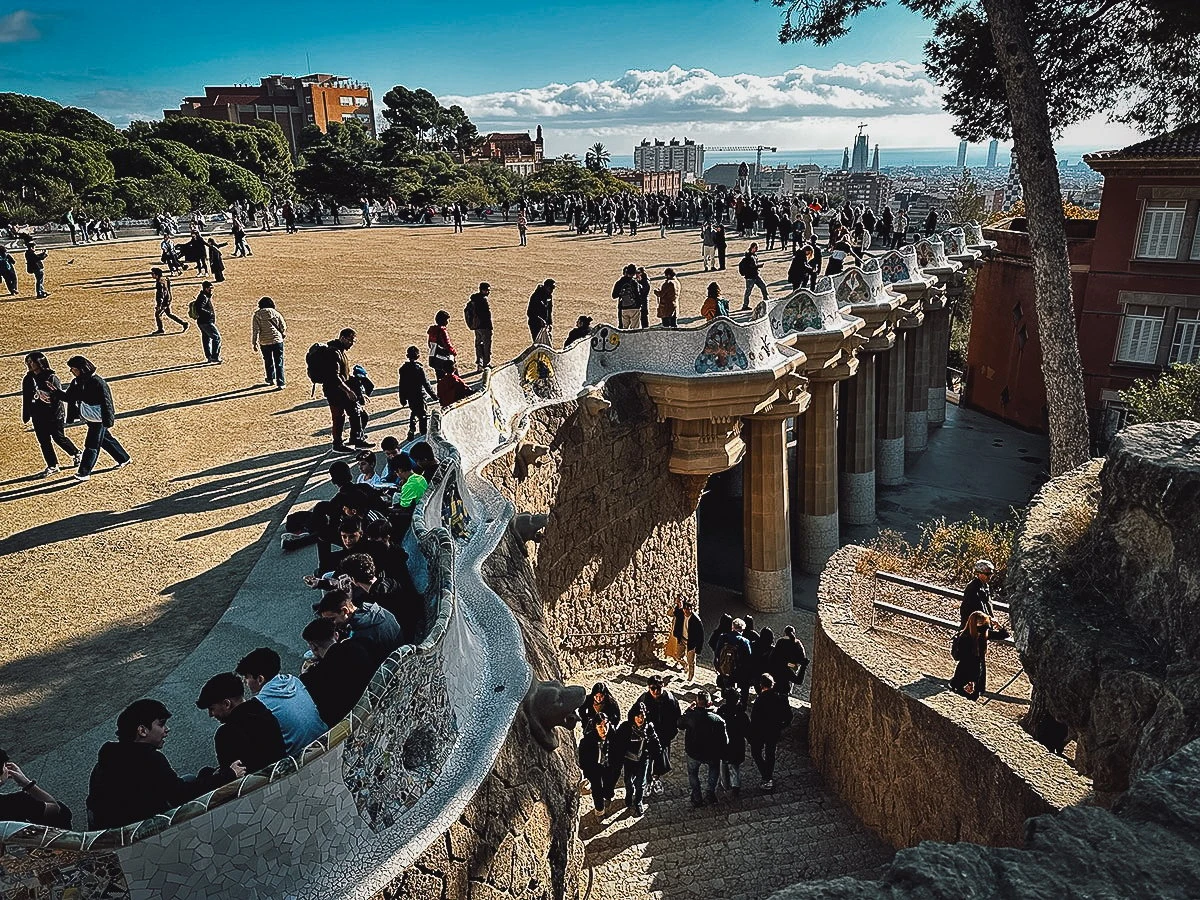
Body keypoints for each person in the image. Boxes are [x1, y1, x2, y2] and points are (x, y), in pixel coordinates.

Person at [86, 699, 203, 828]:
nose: (166, 730)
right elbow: (180, 794)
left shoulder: (106, 760)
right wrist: (221, 777)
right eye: (161, 724)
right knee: (191, 780)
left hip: (110, 832)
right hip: (142, 830)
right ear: (142, 730)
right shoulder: (150, 759)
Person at [39, 355, 130, 483]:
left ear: (82, 368)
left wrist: (108, 420)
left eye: (73, 369)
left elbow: (107, 402)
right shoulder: (76, 382)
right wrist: (55, 391)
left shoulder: (98, 382)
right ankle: (124, 458)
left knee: (91, 445)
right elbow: (69, 397)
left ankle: (84, 472)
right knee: (105, 440)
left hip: (99, 418)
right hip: (90, 417)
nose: (71, 371)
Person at [195, 673, 285, 785]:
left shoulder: (226, 734)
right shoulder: (263, 711)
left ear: (227, 704)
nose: (211, 714)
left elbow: (229, 777)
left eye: (212, 708)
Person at [235, 648, 327, 756]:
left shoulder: (260, 705)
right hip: (325, 738)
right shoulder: (293, 680)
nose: (244, 681)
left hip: (301, 756)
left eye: (246, 677)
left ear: (260, 679)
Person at [300, 617, 376, 726]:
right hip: (371, 704)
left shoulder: (313, 678)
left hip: (347, 723)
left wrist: (305, 674)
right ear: (336, 635)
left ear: (313, 646)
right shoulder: (358, 648)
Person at [22, 351, 81, 477]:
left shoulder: (51, 377)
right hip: (37, 415)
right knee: (44, 441)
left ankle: (76, 453)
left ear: (40, 362)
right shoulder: (28, 378)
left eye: (31, 361)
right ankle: (52, 465)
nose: (29, 364)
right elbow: (26, 397)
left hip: (53, 414)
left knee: (58, 437)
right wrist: (27, 413)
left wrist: (49, 399)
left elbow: (59, 396)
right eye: (28, 361)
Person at [315, 587, 403, 667]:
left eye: (332, 619)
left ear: (345, 610)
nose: (331, 624)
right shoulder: (373, 610)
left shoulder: (361, 635)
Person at [320, 328, 370, 452]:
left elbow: (343, 375)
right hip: (335, 392)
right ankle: (338, 444)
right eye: (350, 340)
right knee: (339, 417)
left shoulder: (340, 351)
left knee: (357, 413)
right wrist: (348, 391)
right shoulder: (333, 353)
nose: (351, 343)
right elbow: (334, 376)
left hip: (340, 390)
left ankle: (356, 439)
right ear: (342, 338)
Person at [0, 746, 71, 828]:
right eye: (4, 766)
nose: (7, 768)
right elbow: (55, 809)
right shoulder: (17, 803)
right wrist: (26, 783)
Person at [678, 692, 728, 807]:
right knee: (714, 770)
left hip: (694, 753)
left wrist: (688, 711)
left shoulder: (691, 717)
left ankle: (697, 796)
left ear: (697, 703)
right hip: (712, 754)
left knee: (693, 773)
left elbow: (679, 724)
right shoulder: (718, 720)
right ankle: (710, 793)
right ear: (709, 703)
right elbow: (725, 741)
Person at [611, 702, 661, 816]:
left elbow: (655, 743)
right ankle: (629, 794)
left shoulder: (649, 727)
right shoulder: (625, 727)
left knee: (640, 783)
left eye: (642, 716)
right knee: (628, 782)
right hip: (629, 760)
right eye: (638, 716)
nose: (640, 719)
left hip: (643, 760)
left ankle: (638, 801)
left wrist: (655, 753)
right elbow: (617, 744)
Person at [636, 675, 681, 797]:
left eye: (658, 688)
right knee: (646, 760)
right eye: (652, 688)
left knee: (660, 761)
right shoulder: (644, 700)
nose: (655, 691)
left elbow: (676, 718)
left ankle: (655, 779)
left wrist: (670, 735)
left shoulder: (670, 700)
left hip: (663, 737)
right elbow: (634, 716)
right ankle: (647, 782)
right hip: (647, 737)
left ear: (663, 686)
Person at [749, 673, 792, 791]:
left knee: (756, 753)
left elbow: (754, 719)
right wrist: (781, 726)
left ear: (761, 685)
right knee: (770, 754)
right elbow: (788, 716)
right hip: (774, 731)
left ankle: (766, 776)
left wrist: (753, 733)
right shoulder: (780, 698)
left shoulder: (759, 700)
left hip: (761, 732)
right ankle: (768, 776)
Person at [577, 714, 619, 815]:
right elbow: (583, 759)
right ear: (595, 727)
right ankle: (599, 810)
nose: (604, 729)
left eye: (605, 725)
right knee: (597, 790)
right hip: (594, 768)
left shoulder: (614, 736)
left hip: (608, 766)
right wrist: (588, 772)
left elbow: (618, 753)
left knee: (609, 785)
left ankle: (608, 796)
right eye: (600, 726)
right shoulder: (587, 741)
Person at [398, 346, 437, 440]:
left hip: (410, 395)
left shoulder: (403, 369)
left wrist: (402, 398)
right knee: (422, 415)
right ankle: (423, 434)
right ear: (418, 356)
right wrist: (434, 396)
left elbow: (401, 385)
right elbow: (426, 384)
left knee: (414, 411)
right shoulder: (419, 369)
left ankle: (412, 428)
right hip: (420, 395)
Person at [950, 612, 991, 701]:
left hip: (972, 674)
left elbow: (1004, 634)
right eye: (981, 624)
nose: (984, 628)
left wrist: (998, 625)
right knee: (963, 697)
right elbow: (967, 661)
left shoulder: (978, 636)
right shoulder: (967, 639)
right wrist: (971, 681)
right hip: (967, 674)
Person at [716, 689, 750, 797]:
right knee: (735, 766)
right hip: (737, 744)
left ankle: (725, 784)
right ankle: (736, 786)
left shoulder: (721, 712)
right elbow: (747, 730)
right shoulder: (742, 715)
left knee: (723, 764)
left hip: (723, 743)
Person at [713, 617, 753, 701]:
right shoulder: (744, 641)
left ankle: (726, 698)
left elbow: (717, 652)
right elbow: (748, 657)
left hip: (725, 667)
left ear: (732, 627)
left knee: (727, 685)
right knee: (740, 687)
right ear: (743, 629)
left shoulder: (723, 637)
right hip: (738, 670)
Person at [769, 625, 809, 696]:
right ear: (794, 633)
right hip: (791, 668)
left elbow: (774, 656)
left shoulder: (780, 641)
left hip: (779, 667)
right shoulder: (797, 643)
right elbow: (802, 658)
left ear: (785, 633)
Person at [671, 599, 704, 683]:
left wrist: (698, 648)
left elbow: (701, 635)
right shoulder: (681, 614)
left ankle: (690, 677)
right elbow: (674, 612)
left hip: (691, 642)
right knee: (678, 656)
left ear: (691, 609)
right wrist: (678, 604)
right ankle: (684, 664)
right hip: (682, 639)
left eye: (688, 609)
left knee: (691, 661)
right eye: (685, 609)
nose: (686, 611)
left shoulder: (696, 620)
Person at [464, 283, 494, 371]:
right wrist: (490, 327)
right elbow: (486, 316)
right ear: (482, 290)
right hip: (484, 327)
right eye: (487, 290)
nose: (489, 292)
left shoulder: (474, 300)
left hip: (477, 327)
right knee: (486, 345)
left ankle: (479, 364)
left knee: (478, 345)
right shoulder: (483, 300)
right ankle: (486, 364)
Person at [193, 281, 222, 364]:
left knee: (206, 339)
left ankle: (209, 357)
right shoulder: (203, 297)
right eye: (210, 288)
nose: (211, 290)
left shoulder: (204, 296)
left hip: (202, 322)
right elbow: (199, 308)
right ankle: (214, 357)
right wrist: (209, 313)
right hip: (206, 322)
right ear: (206, 288)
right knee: (216, 338)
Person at [151, 267, 187, 334]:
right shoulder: (165, 279)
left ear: (157, 275)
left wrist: (159, 305)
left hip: (164, 301)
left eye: (152, 273)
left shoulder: (159, 282)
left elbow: (161, 294)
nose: (151, 275)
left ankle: (160, 329)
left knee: (158, 314)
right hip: (168, 299)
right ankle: (183, 324)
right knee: (169, 314)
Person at [739, 243, 768, 310]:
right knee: (748, 291)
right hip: (750, 277)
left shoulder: (754, 256)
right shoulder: (749, 257)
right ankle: (745, 305)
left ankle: (766, 300)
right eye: (755, 248)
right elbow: (751, 267)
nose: (756, 249)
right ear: (752, 248)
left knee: (763, 286)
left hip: (755, 275)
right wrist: (758, 266)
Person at [613, 264, 641, 329]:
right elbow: (638, 295)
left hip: (623, 307)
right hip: (635, 308)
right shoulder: (634, 282)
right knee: (634, 329)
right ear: (634, 273)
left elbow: (614, 295)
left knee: (624, 328)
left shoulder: (619, 282)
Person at [527, 279, 555, 344]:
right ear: (546, 287)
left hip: (545, 325)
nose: (552, 290)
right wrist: (539, 320)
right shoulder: (536, 296)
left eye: (553, 288)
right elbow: (530, 312)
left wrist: (550, 323)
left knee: (548, 343)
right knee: (538, 343)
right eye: (551, 288)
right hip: (535, 324)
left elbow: (549, 311)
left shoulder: (549, 297)